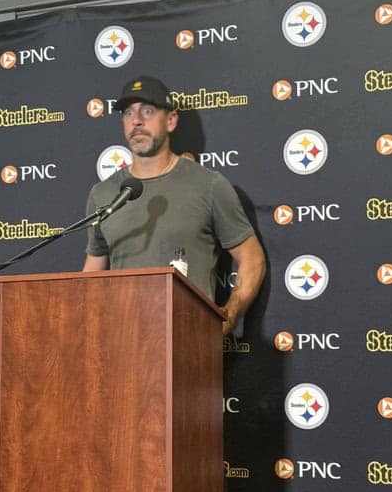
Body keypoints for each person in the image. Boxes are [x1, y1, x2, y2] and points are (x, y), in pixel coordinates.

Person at [83, 75, 266, 334]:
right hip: (123, 342)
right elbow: (93, 273)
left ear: (171, 121)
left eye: (148, 110)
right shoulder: (104, 194)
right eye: (128, 112)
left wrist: (229, 316)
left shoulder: (208, 185)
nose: (137, 120)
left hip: (189, 341)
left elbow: (252, 258)